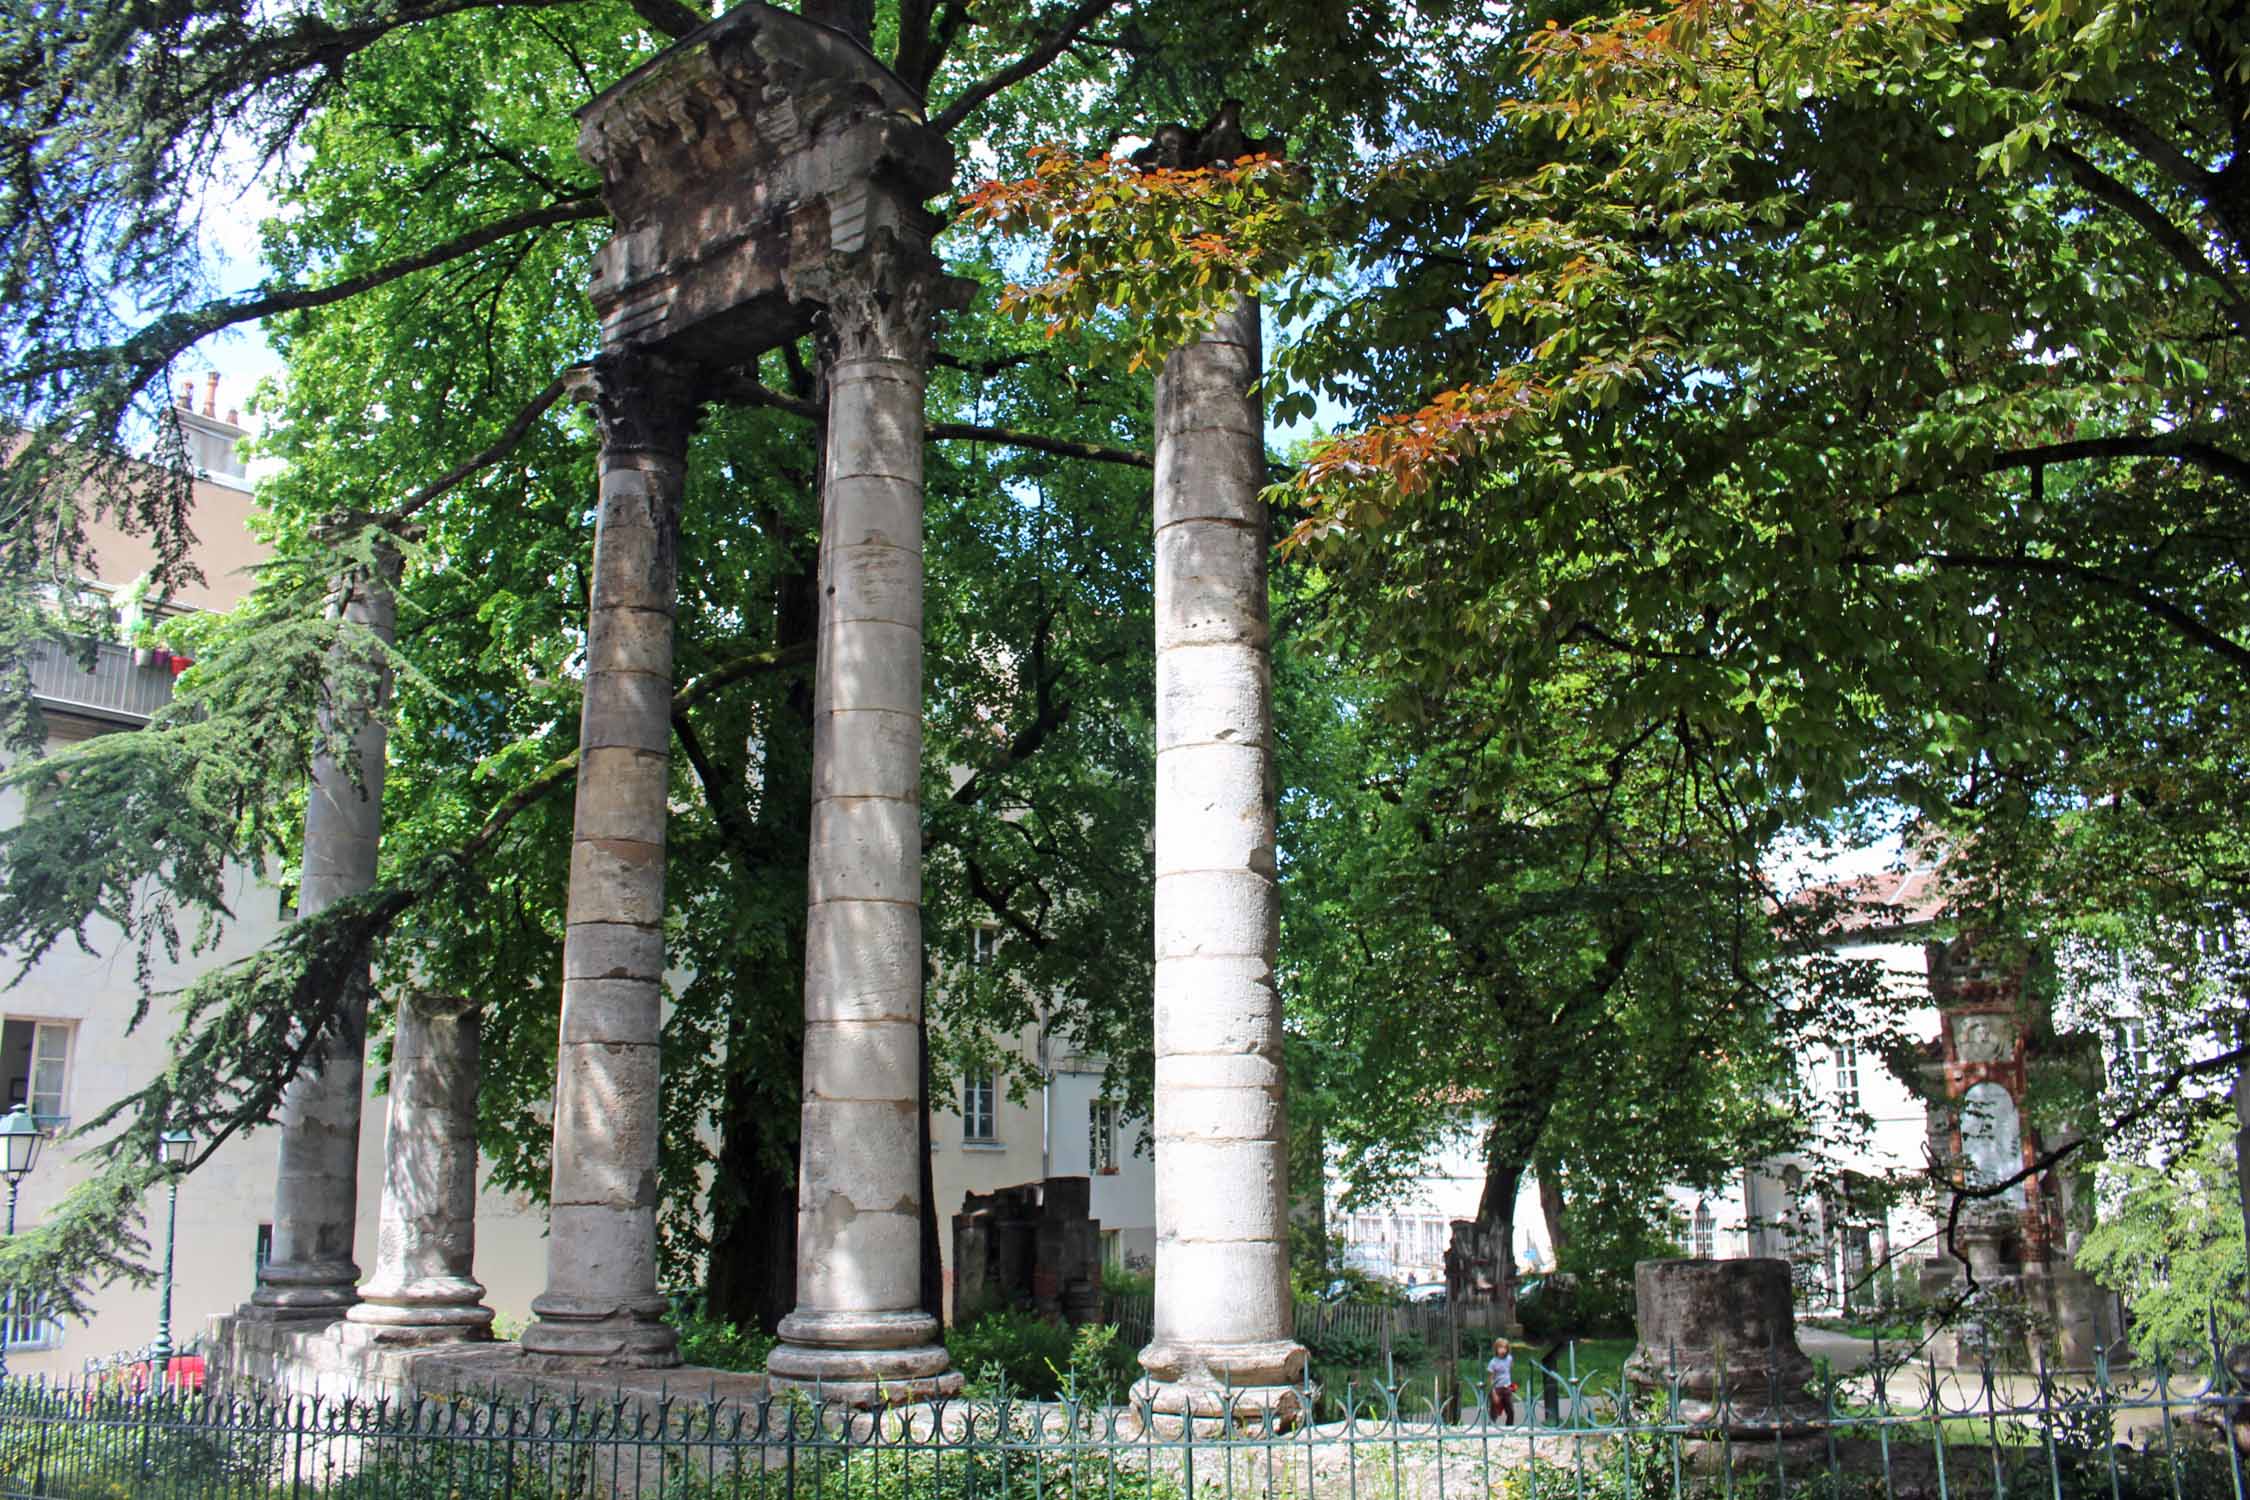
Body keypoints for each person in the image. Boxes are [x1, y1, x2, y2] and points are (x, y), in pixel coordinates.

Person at [1486, 1337, 1516, 1424]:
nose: (1503, 1350)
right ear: (1496, 1349)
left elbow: (1509, 1370)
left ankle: (1509, 1427)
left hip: (1507, 1387)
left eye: (1505, 1348)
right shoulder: (1493, 1362)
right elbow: (1490, 1379)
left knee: (1510, 1410)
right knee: (1494, 1411)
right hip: (1497, 1389)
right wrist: (1493, 1393)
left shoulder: (1509, 1358)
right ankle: (1490, 1428)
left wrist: (1510, 1385)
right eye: (1500, 1347)